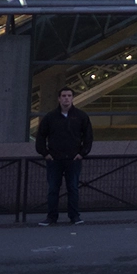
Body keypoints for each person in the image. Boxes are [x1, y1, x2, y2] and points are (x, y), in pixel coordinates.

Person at [35, 86, 93, 227]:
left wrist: (82, 153)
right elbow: (41, 136)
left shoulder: (81, 116)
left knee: (72, 188)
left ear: (72, 98)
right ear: (59, 98)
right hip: (55, 158)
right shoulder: (50, 117)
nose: (66, 98)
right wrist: (45, 153)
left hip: (73, 158)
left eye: (69, 96)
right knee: (53, 189)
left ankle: (74, 216)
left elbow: (88, 136)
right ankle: (51, 217)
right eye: (64, 96)